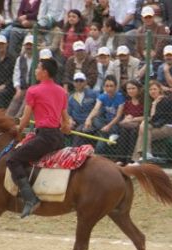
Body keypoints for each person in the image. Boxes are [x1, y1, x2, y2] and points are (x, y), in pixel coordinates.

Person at [7, 57, 71, 218]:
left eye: (38, 68)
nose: (35, 71)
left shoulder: (33, 91)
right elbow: (66, 123)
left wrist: (18, 129)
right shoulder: (62, 92)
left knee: (13, 160)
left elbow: (26, 119)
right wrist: (64, 127)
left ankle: (30, 198)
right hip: (57, 138)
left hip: (44, 137)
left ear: (45, 72)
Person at [83, 75, 125, 154]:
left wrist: (108, 126)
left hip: (116, 123)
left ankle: (111, 134)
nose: (109, 88)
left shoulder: (120, 97)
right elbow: (95, 109)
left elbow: (118, 116)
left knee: (102, 138)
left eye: (111, 86)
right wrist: (88, 119)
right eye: (107, 86)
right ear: (104, 87)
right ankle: (112, 134)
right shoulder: (102, 97)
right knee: (95, 119)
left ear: (116, 87)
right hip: (104, 123)